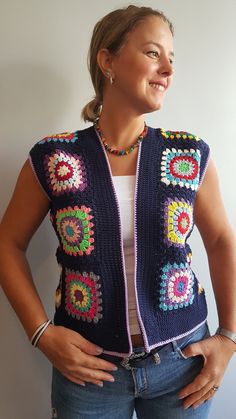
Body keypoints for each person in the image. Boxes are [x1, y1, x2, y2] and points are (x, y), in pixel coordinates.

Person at [0, 4, 236, 419]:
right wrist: (41, 334)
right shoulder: (55, 158)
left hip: (183, 363)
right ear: (107, 61)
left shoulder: (188, 155)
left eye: (171, 58)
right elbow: (7, 243)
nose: (168, 68)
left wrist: (230, 338)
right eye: (152, 53)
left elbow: (220, 242)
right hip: (88, 371)